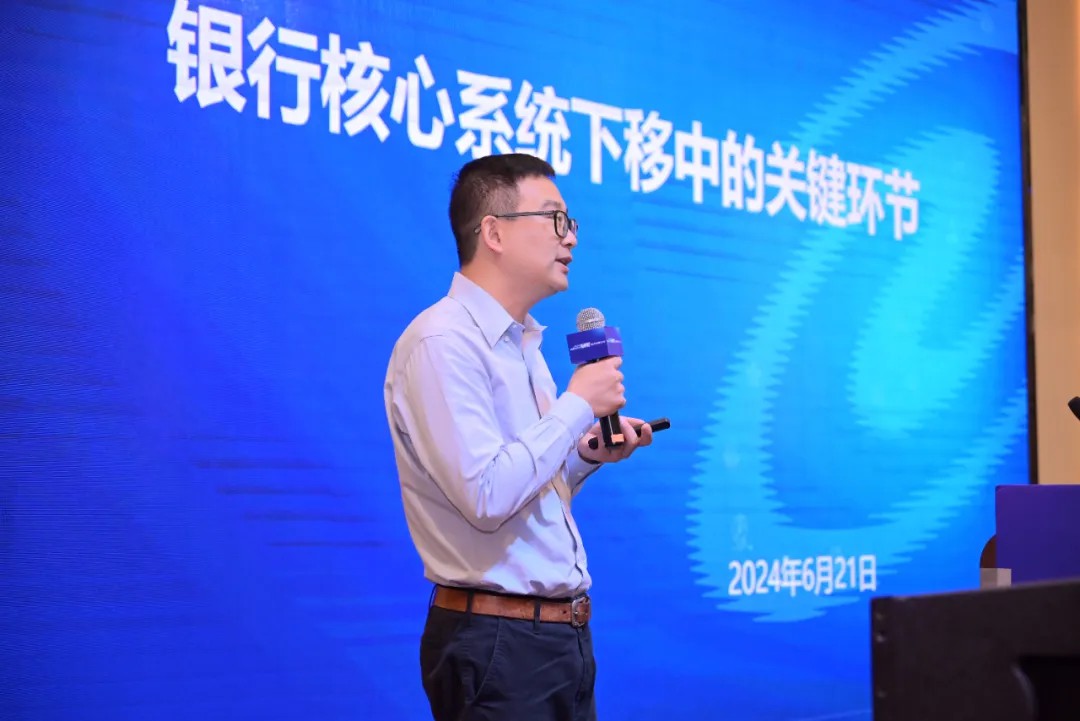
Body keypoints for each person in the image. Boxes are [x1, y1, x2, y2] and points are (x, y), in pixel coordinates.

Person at [383, 152, 654, 721]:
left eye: (570, 222)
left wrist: (585, 453)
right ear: (494, 233)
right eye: (555, 219)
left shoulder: (523, 343)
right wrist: (578, 404)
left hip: (560, 638)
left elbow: (527, 485)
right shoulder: (442, 342)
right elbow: (486, 495)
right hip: (496, 643)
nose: (571, 237)